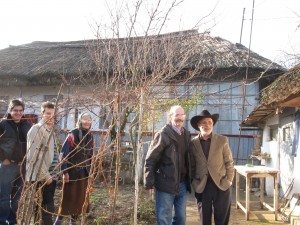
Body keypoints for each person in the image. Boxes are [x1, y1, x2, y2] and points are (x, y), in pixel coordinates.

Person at [144, 105, 191, 225]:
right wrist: (149, 182)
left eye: (182, 115)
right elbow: (151, 159)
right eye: (176, 115)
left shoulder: (186, 134)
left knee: (181, 218)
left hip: (182, 184)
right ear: (170, 117)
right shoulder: (163, 134)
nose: (179, 118)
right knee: (164, 218)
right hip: (165, 184)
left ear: (184, 117)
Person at [189, 110, 234, 225]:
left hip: (221, 184)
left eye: (210, 122)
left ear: (213, 124)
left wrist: (228, 180)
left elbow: (229, 162)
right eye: (204, 122)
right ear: (198, 125)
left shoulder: (222, 140)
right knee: (204, 219)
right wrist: (194, 182)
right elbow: (191, 165)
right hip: (202, 186)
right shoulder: (193, 143)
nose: (207, 125)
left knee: (222, 219)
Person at [54, 112, 94, 225]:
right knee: (67, 198)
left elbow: (91, 156)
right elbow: (64, 154)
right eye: (84, 119)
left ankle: (73, 222)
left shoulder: (90, 136)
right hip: (71, 173)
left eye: (89, 119)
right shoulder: (73, 134)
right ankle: (58, 221)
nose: (86, 122)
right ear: (80, 121)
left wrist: (91, 173)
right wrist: (64, 172)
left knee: (79, 199)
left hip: (84, 173)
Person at [26, 101, 59, 225]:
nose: (50, 117)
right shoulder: (36, 129)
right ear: (42, 114)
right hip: (42, 177)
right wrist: (45, 174)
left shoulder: (50, 130)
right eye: (48, 114)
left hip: (51, 176)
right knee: (43, 209)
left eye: (53, 114)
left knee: (47, 208)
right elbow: (34, 156)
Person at [0, 99, 32, 225]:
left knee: (16, 198)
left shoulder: (27, 125)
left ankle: (12, 221)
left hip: (22, 166)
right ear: (10, 110)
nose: (18, 113)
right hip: (8, 166)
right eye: (15, 110)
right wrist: (3, 159)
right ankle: (2, 221)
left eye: (20, 111)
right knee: (4, 197)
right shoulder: (3, 124)